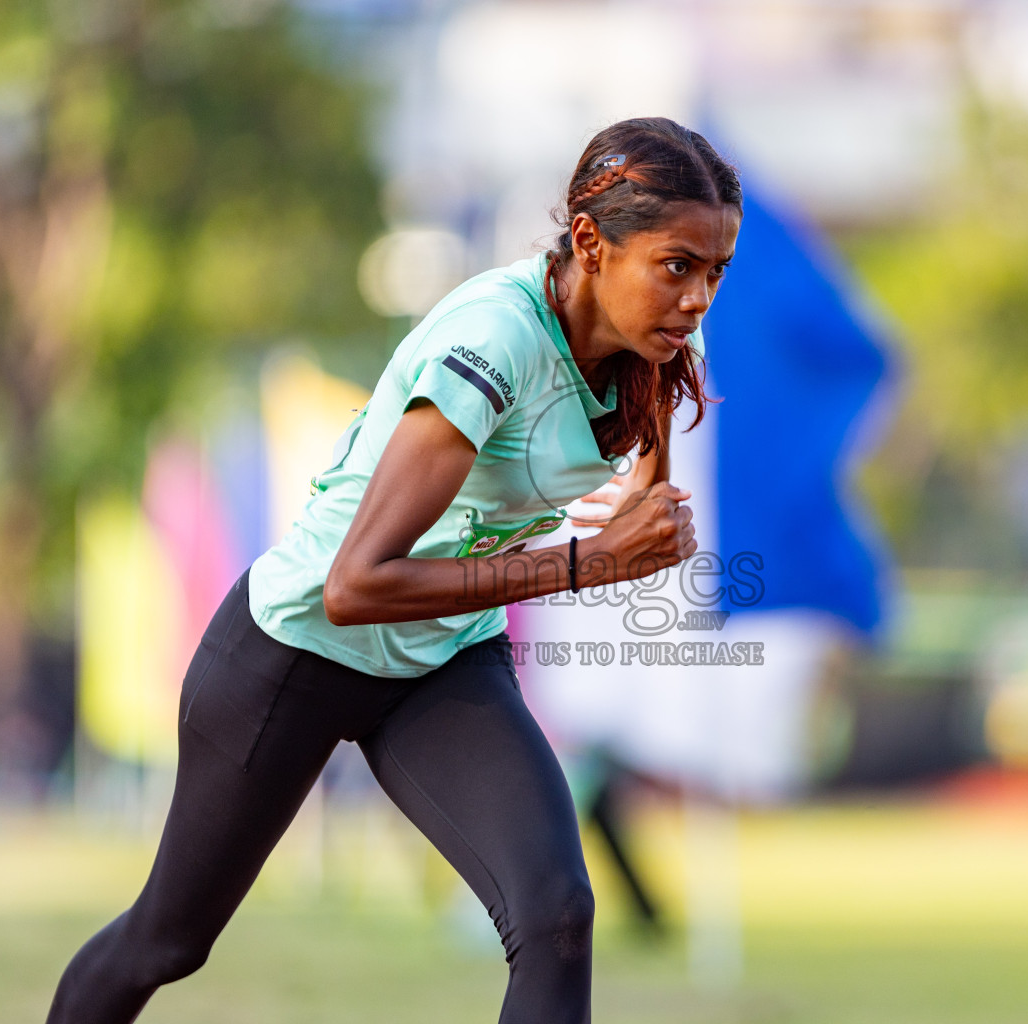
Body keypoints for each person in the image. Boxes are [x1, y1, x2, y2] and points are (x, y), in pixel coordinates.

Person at [45, 115, 742, 1024]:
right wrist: (584, 563)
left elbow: (645, 446)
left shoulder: (645, 340)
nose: (697, 298)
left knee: (558, 914)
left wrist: (652, 502)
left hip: (441, 662)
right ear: (588, 243)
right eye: (677, 265)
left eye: (714, 272)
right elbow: (356, 586)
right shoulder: (494, 341)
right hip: (297, 653)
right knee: (168, 943)